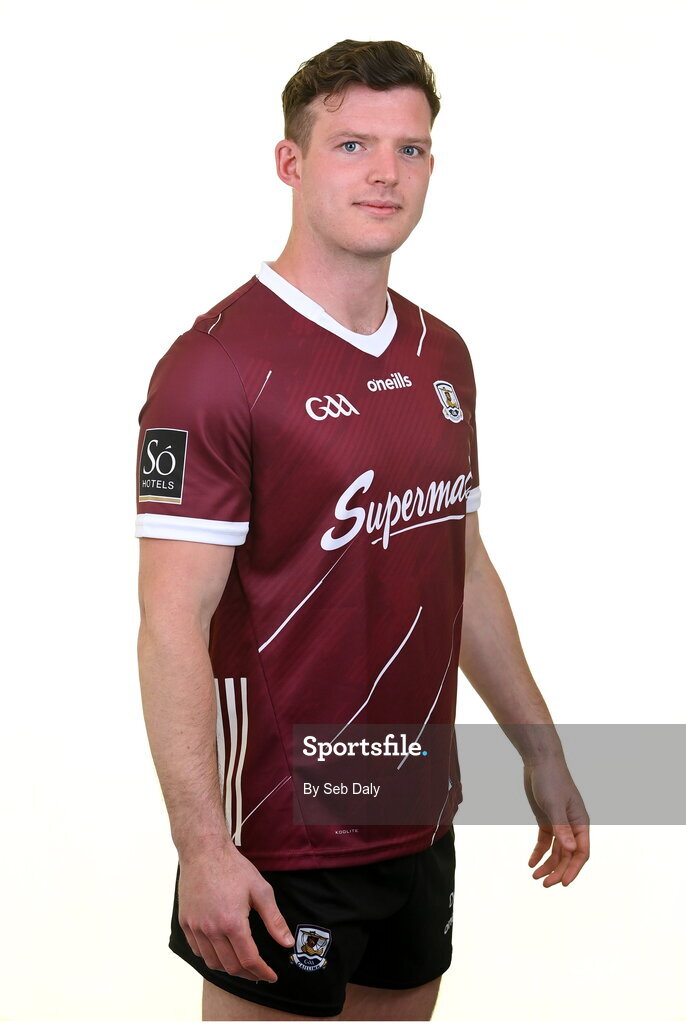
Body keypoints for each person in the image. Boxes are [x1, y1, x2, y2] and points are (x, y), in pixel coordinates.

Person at [135, 38, 590, 1022]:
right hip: (282, 833)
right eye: (350, 145)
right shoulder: (213, 368)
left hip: (415, 811)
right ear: (289, 162)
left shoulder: (442, 355)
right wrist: (200, 846)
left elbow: (460, 567)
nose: (385, 171)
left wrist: (541, 750)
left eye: (410, 149)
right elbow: (170, 622)